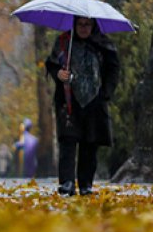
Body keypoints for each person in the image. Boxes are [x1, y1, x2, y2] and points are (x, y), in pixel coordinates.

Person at [46, 16, 119, 196]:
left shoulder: (104, 44)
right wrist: (59, 74)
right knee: (68, 142)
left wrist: (105, 93)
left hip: (95, 101)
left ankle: (86, 184)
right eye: (80, 24)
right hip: (68, 100)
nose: (84, 28)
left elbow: (113, 69)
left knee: (90, 144)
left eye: (88, 24)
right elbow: (52, 64)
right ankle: (67, 182)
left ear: (93, 25)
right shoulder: (64, 42)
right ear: (74, 24)